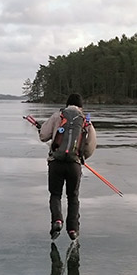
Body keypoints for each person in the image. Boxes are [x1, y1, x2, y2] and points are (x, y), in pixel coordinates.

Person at [39, 93, 97, 240]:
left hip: (56, 163)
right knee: (73, 197)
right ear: (81, 106)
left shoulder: (58, 116)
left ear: (67, 104)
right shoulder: (86, 121)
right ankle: (73, 229)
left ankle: (57, 221)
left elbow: (43, 136)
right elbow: (90, 145)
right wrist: (81, 158)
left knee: (55, 194)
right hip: (74, 165)